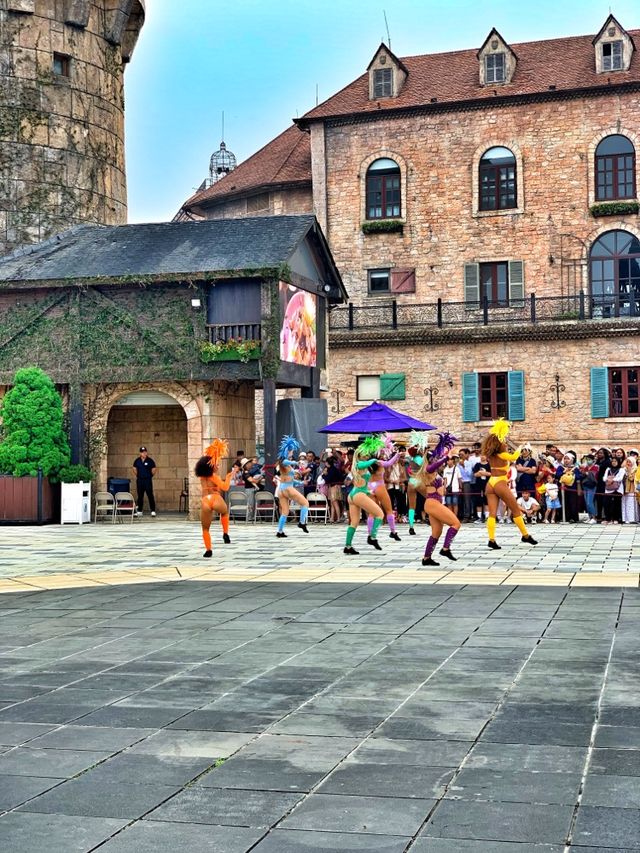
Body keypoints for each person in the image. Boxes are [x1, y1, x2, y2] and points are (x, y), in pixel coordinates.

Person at [481, 418, 537, 550]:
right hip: (500, 482)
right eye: (504, 440)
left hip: (490, 483)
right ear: (499, 444)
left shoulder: (491, 454)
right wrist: (520, 447)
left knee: (492, 513)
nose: (506, 442)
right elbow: (513, 457)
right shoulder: (502, 453)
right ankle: (525, 535)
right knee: (516, 510)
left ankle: (492, 539)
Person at [415, 432, 461, 566]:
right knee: (456, 524)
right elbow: (434, 465)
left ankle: (426, 558)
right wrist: (445, 458)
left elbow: (437, 457)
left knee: (437, 532)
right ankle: (445, 549)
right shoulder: (428, 470)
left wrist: (443, 449)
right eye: (434, 459)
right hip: (432, 503)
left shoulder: (433, 471)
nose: (436, 460)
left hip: (434, 503)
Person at [343, 435, 385, 555]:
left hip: (355, 494)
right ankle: (372, 538)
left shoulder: (360, 466)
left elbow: (360, 483)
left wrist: (368, 492)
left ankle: (348, 546)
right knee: (380, 514)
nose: (367, 456)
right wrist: (373, 460)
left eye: (367, 454)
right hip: (358, 495)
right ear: (360, 455)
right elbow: (362, 465)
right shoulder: (359, 465)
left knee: (354, 522)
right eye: (365, 454)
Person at [195, 439, 231, 558]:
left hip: (205, 500)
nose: (218, 466)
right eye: (217, 464)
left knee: (205, 528)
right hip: (215, 498)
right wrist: (229, 477)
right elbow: (225, 487)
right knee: (225, 512)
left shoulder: (202, 477)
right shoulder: (214, 476)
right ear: (212, 466)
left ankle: (208, 550)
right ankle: (225, 533)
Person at [367, 435, 401, 541]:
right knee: (389, 510)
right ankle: (393, 531)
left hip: (369, 486)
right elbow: (389, 463)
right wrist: (397, 455)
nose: (383, 453)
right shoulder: (379, 462)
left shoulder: (368, 463)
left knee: (372, 512)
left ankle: (370, 534)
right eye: (381, 452)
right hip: (379, 486)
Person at [275, 435, 309, 537]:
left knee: (285, 511)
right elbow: (286, 462)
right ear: (288, 451)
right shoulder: (284, 462)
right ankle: (302, 522)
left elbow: (291, 479)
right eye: (292, 451)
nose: (292, 453)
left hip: (282, 489)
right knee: (305, 503)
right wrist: (296, 462)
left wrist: (301, 483)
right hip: (287, 488)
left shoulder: (285, 464)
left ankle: (280, 531)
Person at [556, 452, 582, 523]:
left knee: (572, 502)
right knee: (564, 502)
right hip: (562, 488)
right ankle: (564, 517)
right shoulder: (560, 467)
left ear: (572, 460)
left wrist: (573, 475)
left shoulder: (575, 468)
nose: (566, 460)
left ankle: (573, 517)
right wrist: (564, 472)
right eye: (565, 459)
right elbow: (557, 475)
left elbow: (579, 476)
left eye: (568, 459)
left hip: (572, 488)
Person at [132, 446, 157, 517]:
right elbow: (134, 469)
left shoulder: (150, 460)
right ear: (140, 453)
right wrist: (139, 475)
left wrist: (149, 476)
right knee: (140, 496)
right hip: (140, 480)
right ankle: (140, 510)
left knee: (150, 495)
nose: (144, 453)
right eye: (142, 452)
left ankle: (153, 510)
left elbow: (154, 469)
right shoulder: (137, 461)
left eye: (145, 452)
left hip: (147, 480)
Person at [603, 456, 625, 524]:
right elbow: (604, 478)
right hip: (608, 488)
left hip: (618, 489)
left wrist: (611, 479)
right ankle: (608, 519)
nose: (614, 463)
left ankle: (616, 519)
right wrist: (608, 479)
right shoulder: (608, 469)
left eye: (615, 461)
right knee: (607, 503)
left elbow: (620, 478)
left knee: (616, 504)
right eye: (612, 461)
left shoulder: (621, 470)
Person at [456, 449, 474, 522]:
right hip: (458, 482)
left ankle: (467, 516)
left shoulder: (469, 463)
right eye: (459, 454)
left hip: (466, 482)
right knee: (459, 500)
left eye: (462, 454)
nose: (460, 456)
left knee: (467, 499)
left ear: (466, 454)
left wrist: (463, 466)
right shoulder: (457, 463)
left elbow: (470, 474)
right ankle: (460, 515)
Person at [472, 453, 491, 522]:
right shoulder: (477, 465)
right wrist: (483, 473)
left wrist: (481, 473)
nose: (482, 456)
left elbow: (491, 474)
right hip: (478, 485)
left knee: (487, 501)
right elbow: (475, 474)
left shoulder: (489, 465)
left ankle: (487, 517)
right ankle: (479, 517)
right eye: (481, 455)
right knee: (478, 501)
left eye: (484, 455)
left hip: (487, 484)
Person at [580, 454, 598, 523]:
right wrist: (584, 472)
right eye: (587, 459)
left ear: (593, 460)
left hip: (592, 486)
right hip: (585, 486)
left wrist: (586, 473)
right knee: (586, 502)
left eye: (589, 459)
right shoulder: (586, 467)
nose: (588, 461)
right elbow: (582, 474)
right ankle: (589, 517)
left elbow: (593, 475)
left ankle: (594, 517)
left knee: (589, 502)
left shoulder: (595, 467)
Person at [622, 455, 639, 524]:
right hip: (624, 489)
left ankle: (632, 518)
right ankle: (626, 518)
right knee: (625, 504)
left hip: (631, 490)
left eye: (630, 462)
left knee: (631, 505)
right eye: (627, 462)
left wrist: (629, 472)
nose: (628, 463)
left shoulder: (635, 469)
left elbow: (631, 479)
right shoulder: (624, 469)